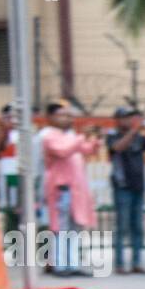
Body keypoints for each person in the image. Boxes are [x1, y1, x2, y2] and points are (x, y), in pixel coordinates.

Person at [41, 100, 100, 276]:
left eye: (68, 115)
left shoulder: (70, 135)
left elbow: (87, 150)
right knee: (61, 228)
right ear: (51, 117)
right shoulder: (48, 135)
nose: (67, 119)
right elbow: (62, 151)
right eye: (62, 115)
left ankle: (73, 264)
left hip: (76, 190)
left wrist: (95, 140)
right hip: (62, 188)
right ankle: (59, 265)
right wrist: (81, 137)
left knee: (75, 228)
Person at [106, 105, 145, 274]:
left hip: (138, 186)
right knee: (122, 226)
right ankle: (119, 264)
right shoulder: (112, 136)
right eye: (125, 117)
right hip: (122, 186)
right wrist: (134, 131)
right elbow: (117, 148)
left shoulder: (139, 137)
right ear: (117, 120)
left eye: (131, 117)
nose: (129, 120)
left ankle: (136, 262)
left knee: (137, 226)